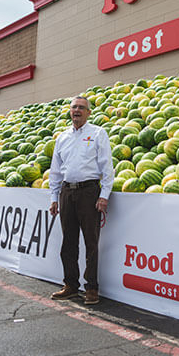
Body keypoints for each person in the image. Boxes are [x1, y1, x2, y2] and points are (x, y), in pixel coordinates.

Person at [48, 96, 114, 305]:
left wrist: (104, 196)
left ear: (88, 112)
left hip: (89, 192)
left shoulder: (97, 133)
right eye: (74, 107)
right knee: (68, 242)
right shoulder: (62, 137)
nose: (77, 110)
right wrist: (54, 197)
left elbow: (107, 168)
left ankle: (91, 288)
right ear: (70, 111)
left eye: (81, 108)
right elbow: (56, 171)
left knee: (91, 242)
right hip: (67, 192)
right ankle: (70, 285)